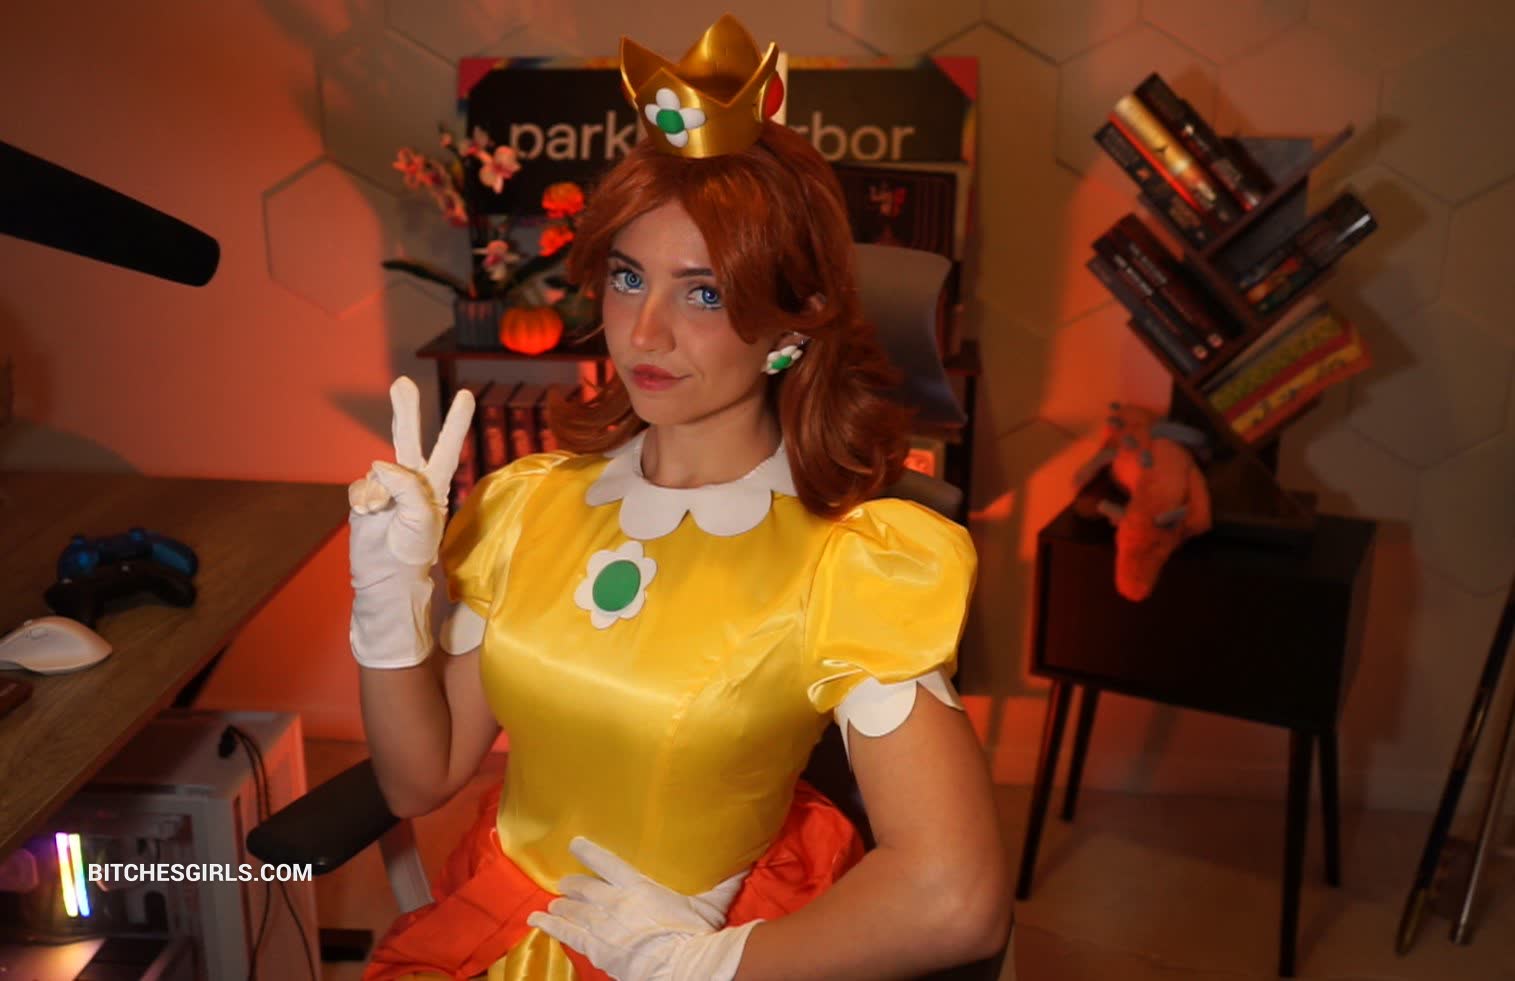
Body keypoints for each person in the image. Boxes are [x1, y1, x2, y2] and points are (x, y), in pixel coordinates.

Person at [346, 15, 1013, 980]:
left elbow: (959, 898)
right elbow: (421, 778)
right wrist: (387, 603)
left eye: (702, 292)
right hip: (496, 922)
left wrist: (702, 965)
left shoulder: (850, 563)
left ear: (790, 326)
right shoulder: (525, 505)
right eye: (628, 277)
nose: (644, 332)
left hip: (697, 945)